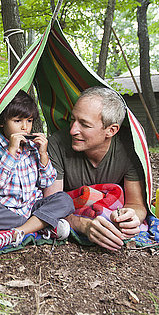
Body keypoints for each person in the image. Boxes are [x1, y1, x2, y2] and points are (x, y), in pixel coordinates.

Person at [44, 86, 147, 251]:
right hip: (73, 209)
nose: (72, 130)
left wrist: (132, 218)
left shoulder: (130, 148)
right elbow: (49, 207)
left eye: (84, 124)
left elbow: (136, 204)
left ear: (111, 130)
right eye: (73, 120)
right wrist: (82, 225)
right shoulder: (57, 144)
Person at [0, 90, 75, 253]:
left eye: (29, 121)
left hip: (33, 206)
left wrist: (43, 154)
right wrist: (11, 152)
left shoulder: (33, 149)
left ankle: (15, 232)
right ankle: (41, 226)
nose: (25, 127)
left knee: (65, 200)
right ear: (2, 122)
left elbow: (46, 182)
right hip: (6, 208)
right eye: (17, 121)